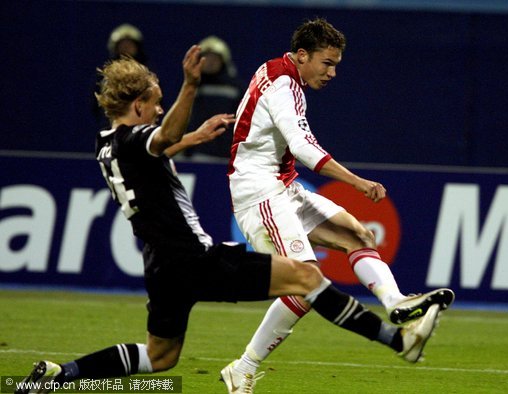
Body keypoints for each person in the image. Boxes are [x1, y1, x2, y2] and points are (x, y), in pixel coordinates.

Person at [16, 45, 444, 394]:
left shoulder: (106, 144)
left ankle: (60, 376)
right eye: (156, 101)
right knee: (308, 279)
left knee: (160, 357)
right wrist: (189, 86)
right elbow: (160, 138)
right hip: (194, 259)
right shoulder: (142, 137)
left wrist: (195, 137)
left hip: (161, 268)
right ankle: (398, 341)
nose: (161, 108)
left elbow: (156, 150)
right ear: (139, 104)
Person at [225, 17, 455, 391]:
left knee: (357, 234)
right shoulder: (284, 82)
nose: (332, 73)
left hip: (282, 186)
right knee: (304, 286)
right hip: (259, 191)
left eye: (336, 65)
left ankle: (395, 302)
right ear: (302, 55)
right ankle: (244, 367)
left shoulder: (281, 73)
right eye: (326, 63)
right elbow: (301, 148)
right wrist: (358, 182)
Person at [185, 36, 245, 159]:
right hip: (198, 155)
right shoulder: (191, 86)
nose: (210, 62)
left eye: (215, 58)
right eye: (206, 57)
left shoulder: (236, 88)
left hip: (228, 157)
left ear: (223, 61)